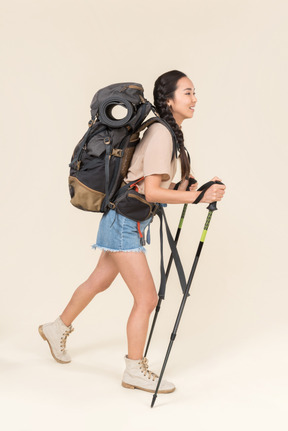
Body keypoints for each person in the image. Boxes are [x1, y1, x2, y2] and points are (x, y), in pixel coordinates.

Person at [39, 70, 226, 394]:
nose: (194, 99)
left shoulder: (169, 133)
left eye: (194, 92)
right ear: (169, 100)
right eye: (188, 93)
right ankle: (134, 370)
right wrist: (197, 197)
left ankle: (56, 328)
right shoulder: (162, 134)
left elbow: (151, 185)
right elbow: (152, 192)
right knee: (147, 299)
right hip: (125, 223)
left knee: (99, 280)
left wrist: (190, 187)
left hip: (127, 220)